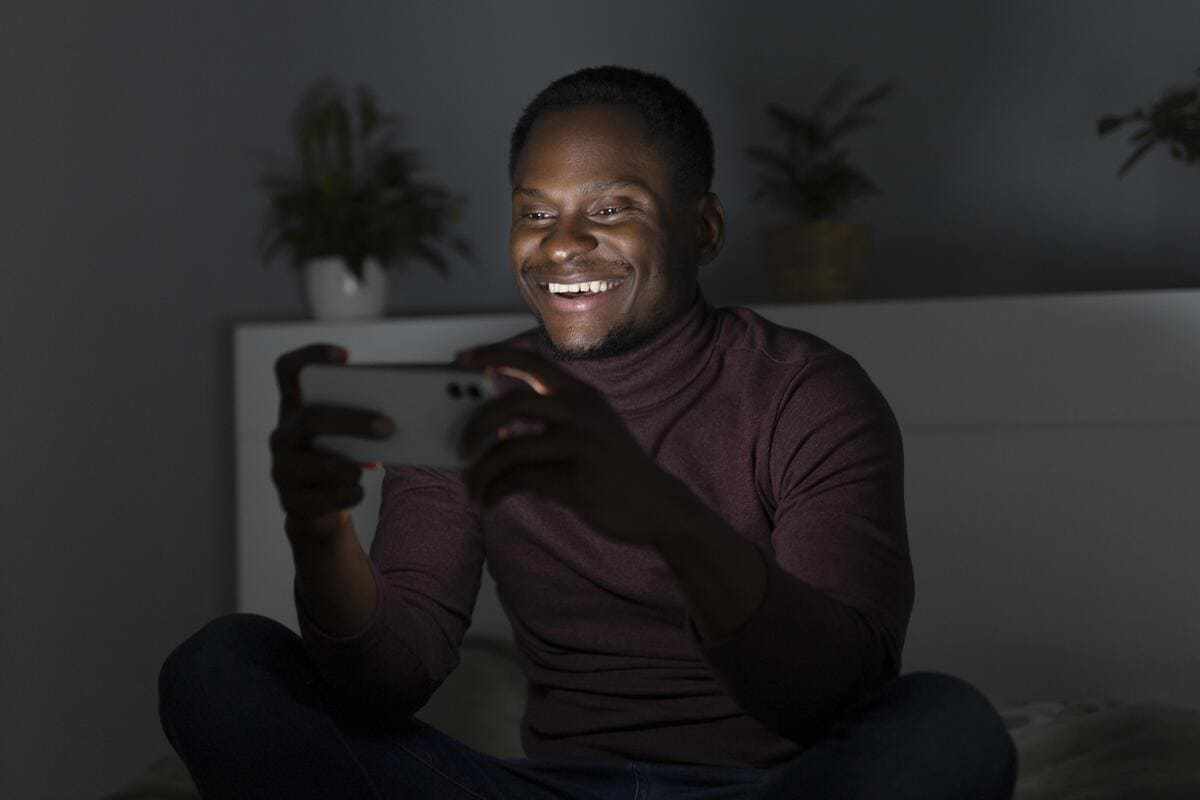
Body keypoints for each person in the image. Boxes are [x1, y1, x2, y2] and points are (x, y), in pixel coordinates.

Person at [159, 65, 1017, 799]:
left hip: (769, 791)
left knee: (945, 727)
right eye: (534, 214)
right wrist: (319, 535)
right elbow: (392, 679)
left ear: (702, 228)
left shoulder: (808, 393)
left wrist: (657, 513)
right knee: (222, 668)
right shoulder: (478, 396)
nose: (562, 246)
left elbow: (834, 695)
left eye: (611, 209)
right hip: (546, 789)